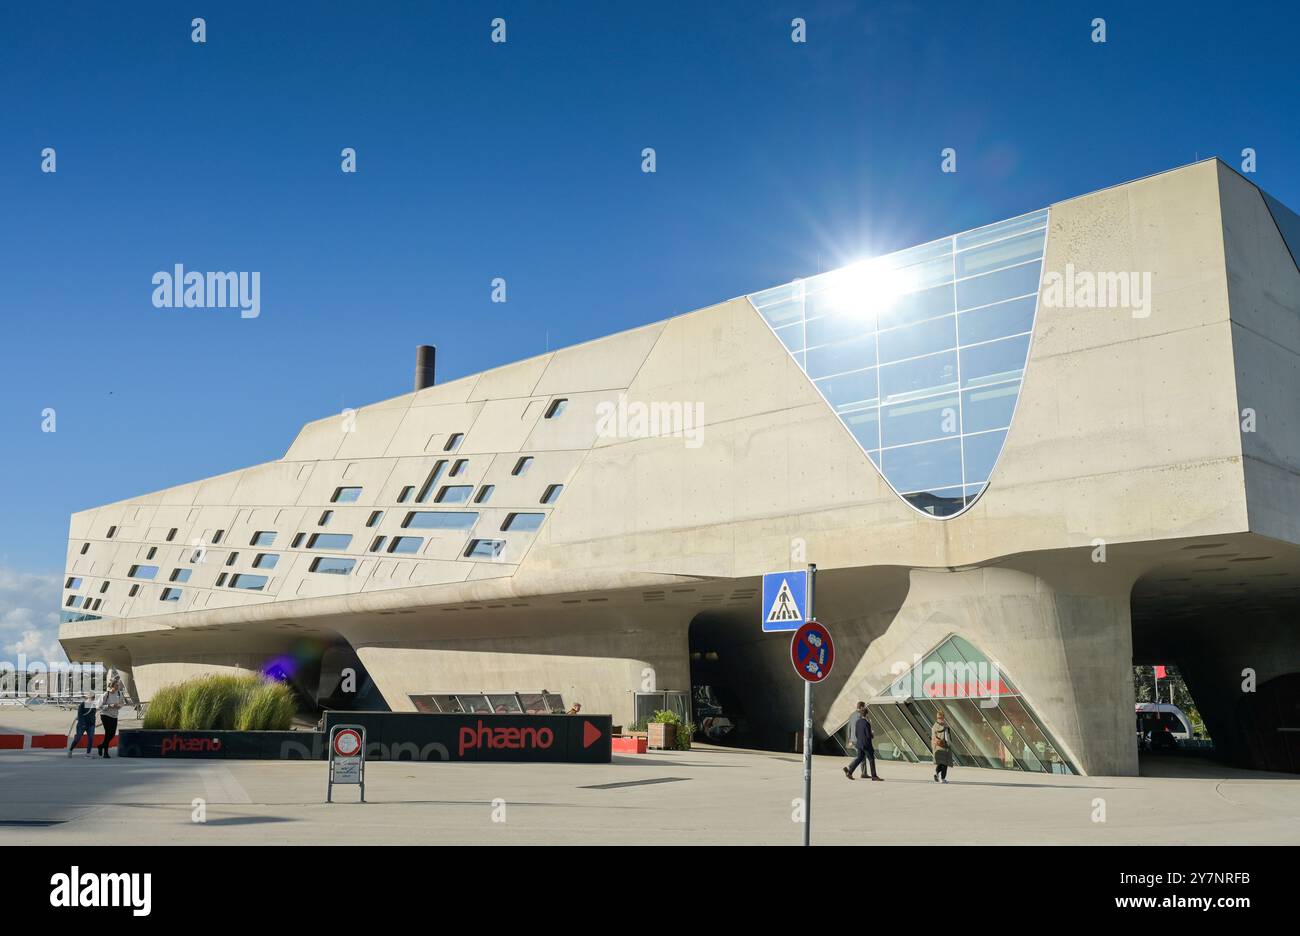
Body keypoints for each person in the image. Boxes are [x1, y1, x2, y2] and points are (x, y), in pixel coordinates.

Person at [842, 702, 882, 781]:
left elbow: (856, 733)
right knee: (871, 759)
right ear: (866, 715)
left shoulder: (858, 722)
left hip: (859, 744)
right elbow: (868, 736)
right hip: (866, 745)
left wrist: (852, 739)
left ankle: (849, 772)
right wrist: (872, 734)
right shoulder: (867, 723)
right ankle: (874, 776)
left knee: (859, 758)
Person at [96, 673, 127, 758]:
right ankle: (105, 753)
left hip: (114, 715)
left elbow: (122, 703)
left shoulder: (119, 694)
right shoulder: (106, 694)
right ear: (112, 686)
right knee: (108, 733)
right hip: (105, 715)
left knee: (112, 734)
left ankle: (101, 746)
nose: (118, 687)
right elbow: (99, 706)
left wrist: (118, 706)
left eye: (118, 686)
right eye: (116, 686)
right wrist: (110, 705)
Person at [68, 693, 97, 758]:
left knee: (91, 738)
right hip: (82, 725)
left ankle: (88, 753)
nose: (92, 699)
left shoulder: (93, 705)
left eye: (93, 698)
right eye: (91, 697)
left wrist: (94, 723)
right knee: (78, 738)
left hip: (91, 725)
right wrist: (83, 724)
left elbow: (93, 715)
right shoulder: (82, 704)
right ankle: (71, 749)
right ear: (88, 697)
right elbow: (80, 715)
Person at [931, 711, 952, 783]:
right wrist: (949, 745)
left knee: (940, 763)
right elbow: (947, 738)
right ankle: (942, 778)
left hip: (937, 747)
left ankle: (937, 774)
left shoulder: (934, 726)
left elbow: (933, 738)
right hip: (944, 746)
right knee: (944, 764)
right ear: (943, 717)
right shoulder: (945, 726)